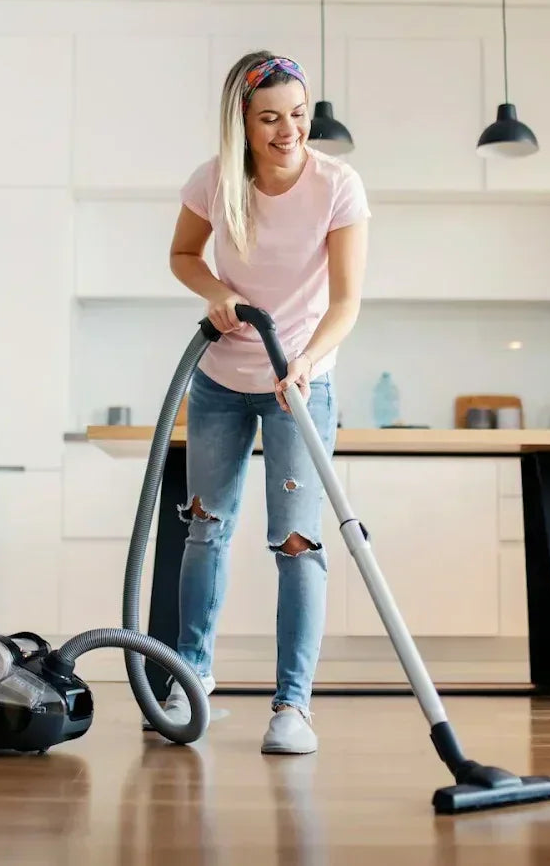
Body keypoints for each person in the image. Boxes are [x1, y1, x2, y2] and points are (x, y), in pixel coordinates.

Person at [161, 50, 370, 754]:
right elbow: (185, 256)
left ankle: (293, 706)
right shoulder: (214, 181)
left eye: (300, 114)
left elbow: (346, 301)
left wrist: (307, 359)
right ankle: (190, 679)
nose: (290, 131)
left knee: (297, 542)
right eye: (271, 118)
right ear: (242, 123)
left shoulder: (338, 185)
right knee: (203, 529)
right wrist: (219, 293)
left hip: (299, 384)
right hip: (220, 379)